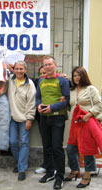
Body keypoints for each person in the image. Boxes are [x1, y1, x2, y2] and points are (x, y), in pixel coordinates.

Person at [64, 66, 102, 188]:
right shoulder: (72, 90)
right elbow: (73, 105)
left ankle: (87, 175)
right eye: (74, 75)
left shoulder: (91, 89)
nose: (77, 78)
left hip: (87, 123)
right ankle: (75, 170)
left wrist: (89, 114)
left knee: (87, 150)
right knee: (70, 148)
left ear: (84, 76)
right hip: (75, 124)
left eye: (79, 75)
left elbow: (99, 105)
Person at [36, 56, 70, 189]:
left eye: (50, 64)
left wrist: (52, 107)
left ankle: (59, 176)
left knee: (57, 147)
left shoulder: (62, 80)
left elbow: (66, 100)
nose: (47, 67)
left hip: (58, 118)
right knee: (47, 147)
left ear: (55, 65)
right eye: (45, 65)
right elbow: (38, 97)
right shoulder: (41, 82)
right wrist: (39, 105)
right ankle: (49, 172)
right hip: (44, 118)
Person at [8, 61, 36, 181]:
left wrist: (29, 119)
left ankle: (22, 169)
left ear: (25, 70)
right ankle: (20, 163)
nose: (19, 71)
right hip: (12, 118)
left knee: (24, 143)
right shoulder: (9, 79)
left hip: (25, 118)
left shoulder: (30, 84)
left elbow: (31, 103)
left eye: (21, 69)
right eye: (17, 69)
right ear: (13, 70)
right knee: (13, 142)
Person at [33, 66, 47, 174]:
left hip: (55, 117)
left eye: (45, 73)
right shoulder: (36, 83)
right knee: (45, 142)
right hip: (41, 117)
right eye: (41, 73)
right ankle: (46, 165)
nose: (43, 75)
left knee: (55, 144)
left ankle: (56, 166)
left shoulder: (58, 82)